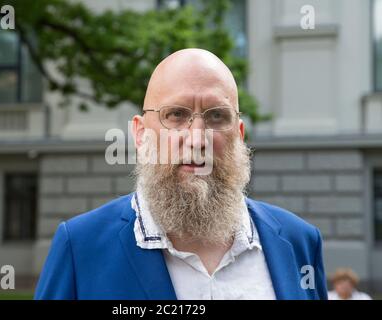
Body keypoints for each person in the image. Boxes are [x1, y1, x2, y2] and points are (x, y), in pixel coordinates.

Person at [34, 48, 328, 300]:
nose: (198, 139)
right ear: (140, 133)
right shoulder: (81, 247)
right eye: (176, 115)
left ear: (239, 135)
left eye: (217, 116)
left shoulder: (299, 241)